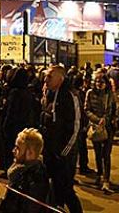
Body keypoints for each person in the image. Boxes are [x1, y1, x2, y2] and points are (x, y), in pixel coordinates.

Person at [41, 65, 83, 213]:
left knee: (65, 189)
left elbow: (76, 124)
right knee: (53, 188)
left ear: (61, 78)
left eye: (49, 76)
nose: (45, 79)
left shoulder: (70, 95)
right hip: (50, 150)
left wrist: (64, 151)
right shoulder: (50, 93)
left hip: (64, 153)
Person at [0, 128, 50, 213]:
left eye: (17, 148)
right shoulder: (23, 172)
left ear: (30, 153)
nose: (13, 151)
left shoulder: (32, 179)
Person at [84, 75, 117, 192]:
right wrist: (97, 119)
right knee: (98, 153)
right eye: (97, 81)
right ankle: (99, 174)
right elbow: (87, 109)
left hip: (108, 127)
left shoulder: (110, 94)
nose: (99, 84)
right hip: (96, 126)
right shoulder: (90, 93)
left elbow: (114, 110)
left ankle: (106, 180)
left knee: (106, 154)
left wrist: (108, 119)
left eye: (102, 82)